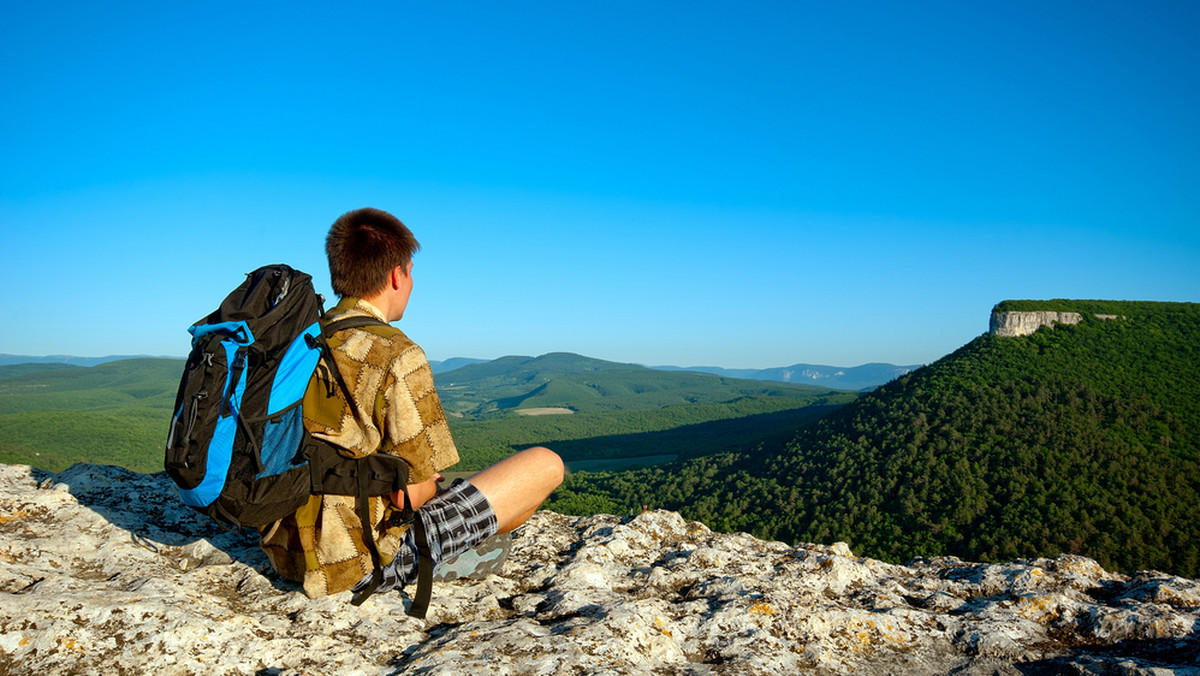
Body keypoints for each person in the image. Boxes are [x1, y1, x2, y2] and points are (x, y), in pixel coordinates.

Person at [258, 207, 564, 602]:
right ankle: (458, 554)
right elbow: (410, 498)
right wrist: (424, 485)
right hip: (352, 562)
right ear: (396, 275)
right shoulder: (396, 353)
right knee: (544, 465)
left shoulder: (298, 341)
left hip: (283, 546)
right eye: (411, 272)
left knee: (490, 503)